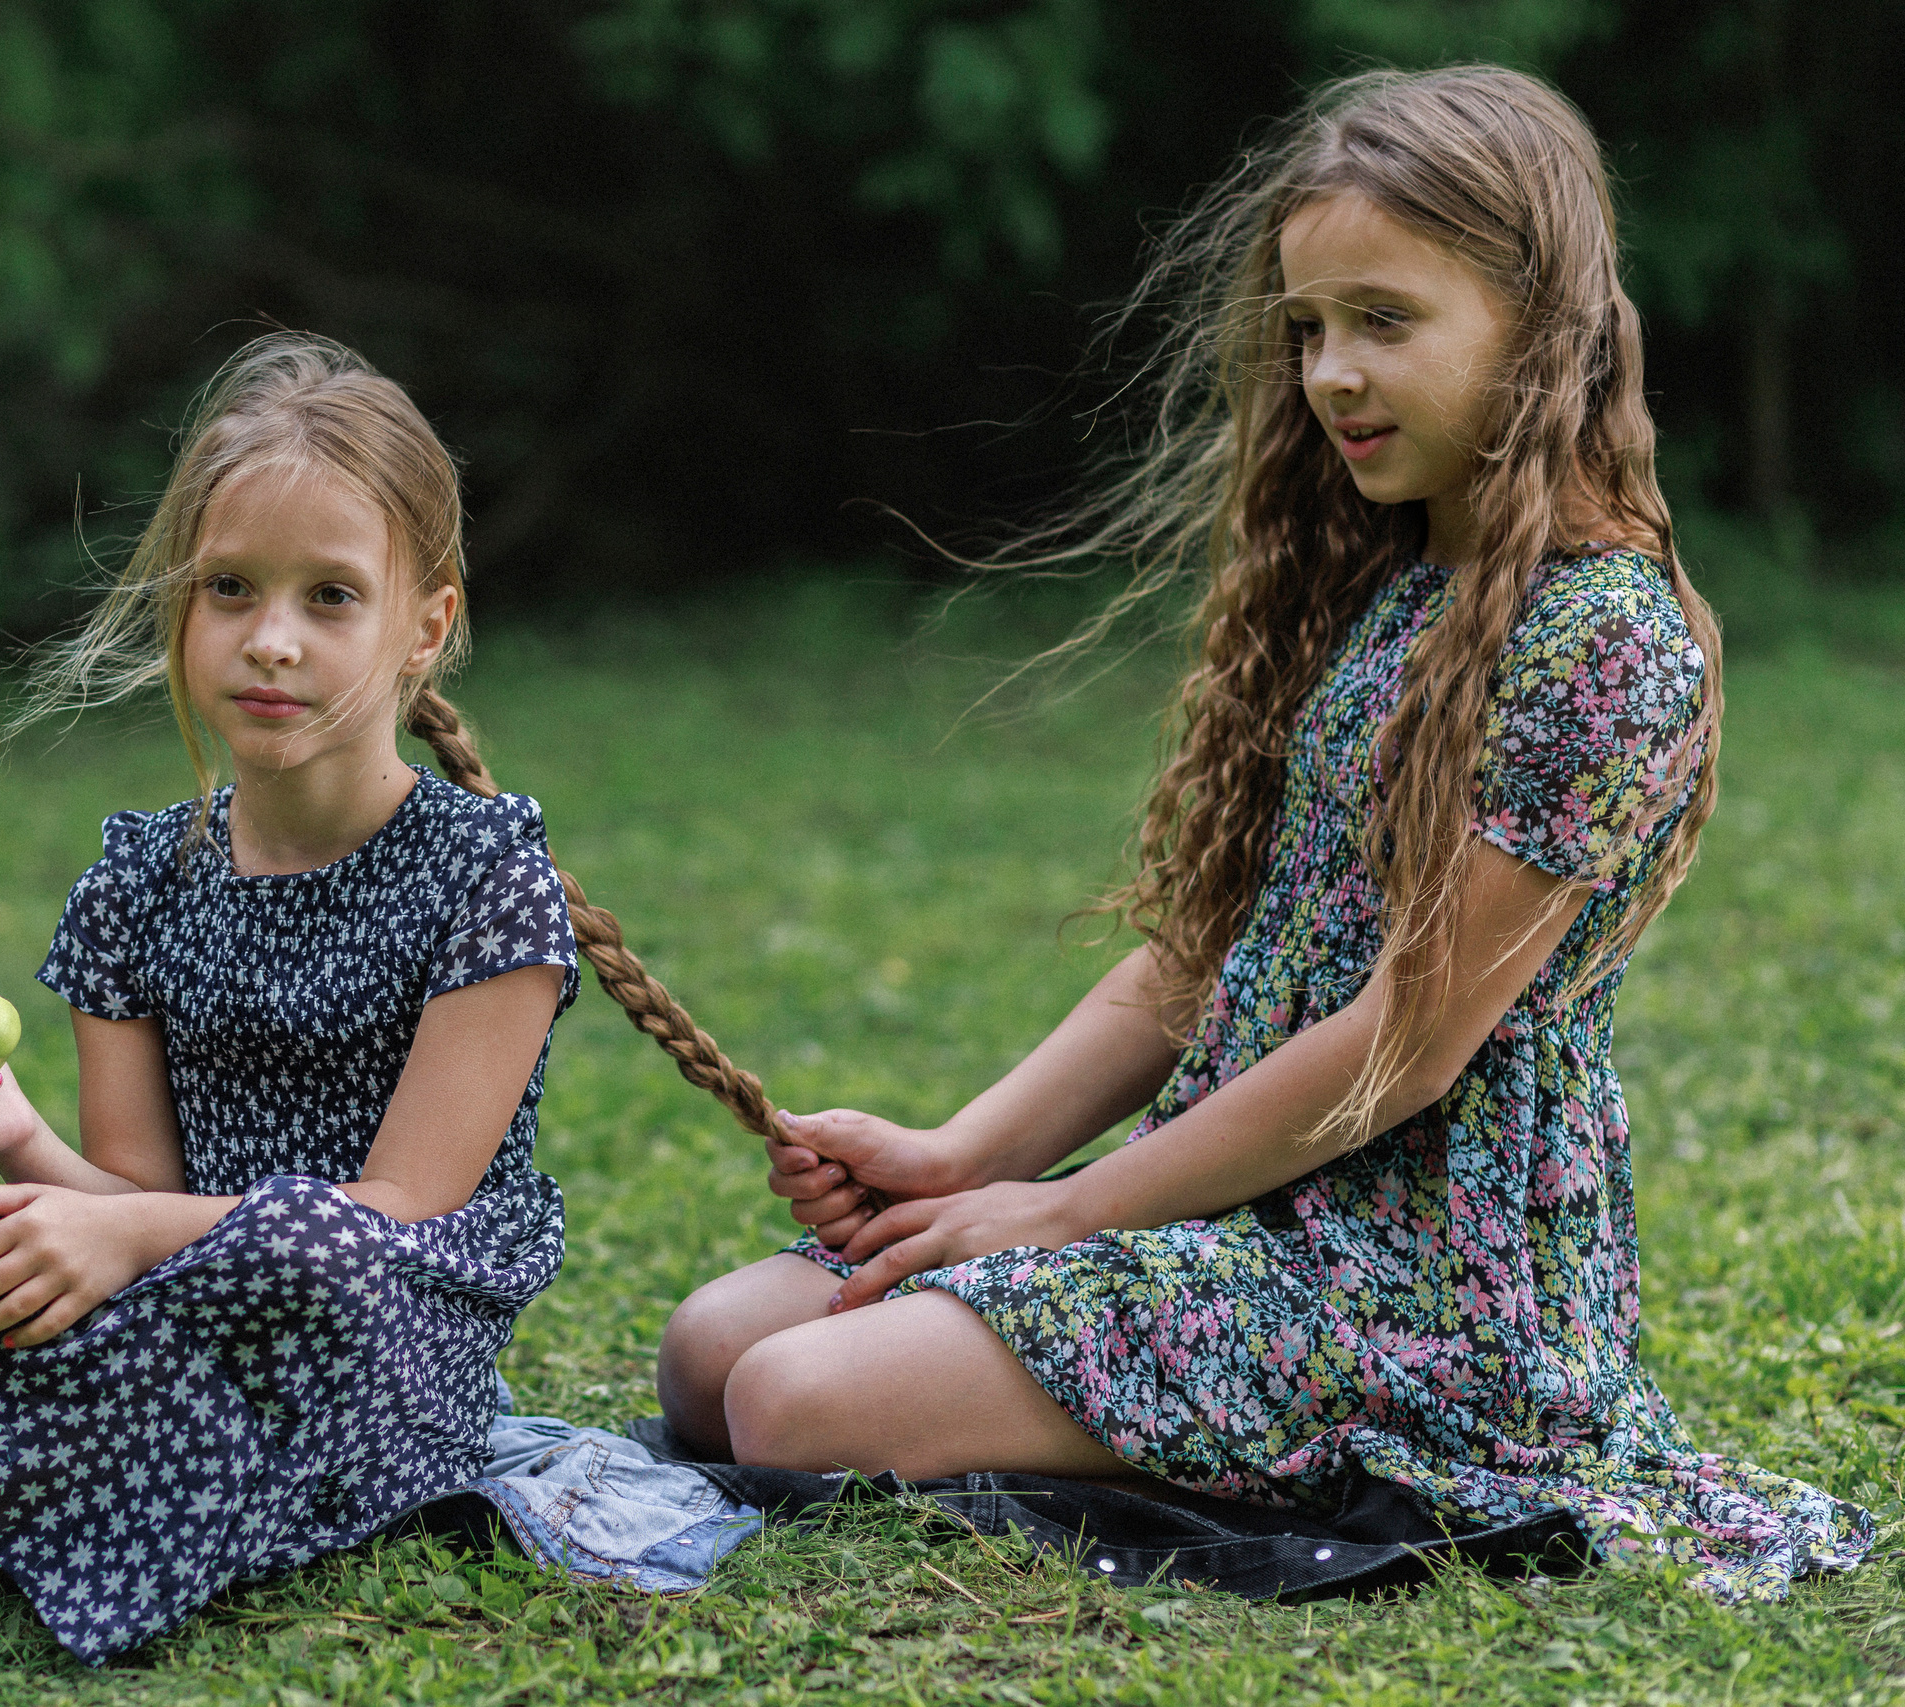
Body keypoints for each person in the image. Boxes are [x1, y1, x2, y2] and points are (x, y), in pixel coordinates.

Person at [657, 66, 1871, 1597]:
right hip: (1246, 1207)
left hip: (1425, 1285)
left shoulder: (1605, 636)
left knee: (783, 1403)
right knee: (710, 1351)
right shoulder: (1374, 585)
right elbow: (1208, 959)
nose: (1332, 376)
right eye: (1308, 329)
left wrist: (1062, 1212)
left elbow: (1408, 1043)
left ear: (1540, 327)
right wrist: (962, 1156)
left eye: (1385, 320)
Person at [0, 334, 579, 1662]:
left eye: (330, 597)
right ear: (183, 603)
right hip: (179, 1287)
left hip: (373, 1342)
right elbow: (120, 1197)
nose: (270, 640)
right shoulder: (138, 881)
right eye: (231, 587)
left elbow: (405, 1211)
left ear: (425, 626)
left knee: (306, 1258)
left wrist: (132, 1242)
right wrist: (8, 1138)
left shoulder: (487, 878)